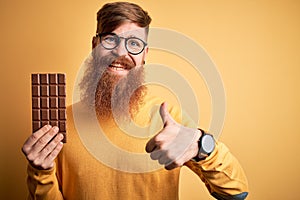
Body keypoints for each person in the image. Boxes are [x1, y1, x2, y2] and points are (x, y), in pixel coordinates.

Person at [22, 2, 249, 199]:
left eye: (133, 43)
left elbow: (237, 193)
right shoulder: (59, 127)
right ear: (94, 46)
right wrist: (40, 172)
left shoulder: (170, 120)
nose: (121, 52)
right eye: (110, 40)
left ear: (145, 54)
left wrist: (201, 144)